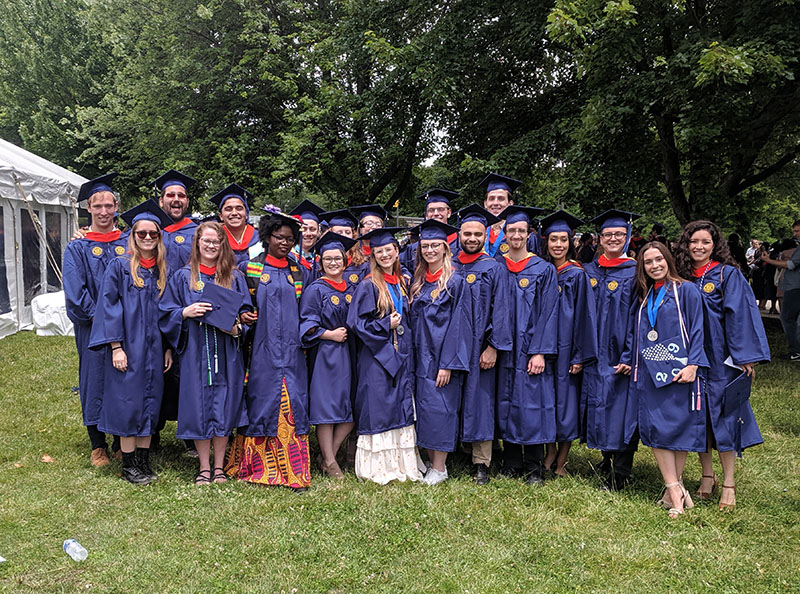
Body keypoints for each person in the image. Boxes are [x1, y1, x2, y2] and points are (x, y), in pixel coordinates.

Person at [676, 221, 772, 510]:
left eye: (705, 242)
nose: (699, 247)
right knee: (698, 416)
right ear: (686, 244)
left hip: (720, 358)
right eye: (694, 241)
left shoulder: (726, 274)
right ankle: (707, 476)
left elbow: (741, 314)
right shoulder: (680, 276)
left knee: (725, 416)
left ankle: (728, 482)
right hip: (690, 357)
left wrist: (744, 355)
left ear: (715, 245)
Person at [88, 200, 174, 485]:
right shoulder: (120, 267)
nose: (148, 238)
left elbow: (168, 312)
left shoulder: (163, 270)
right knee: (127, 404)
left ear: (160, 237)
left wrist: (168, 347)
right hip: (128, 347)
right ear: (133, 236)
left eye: (153, 234)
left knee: (150, 402)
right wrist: (116, 347)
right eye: (142, 234)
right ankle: (128, 466)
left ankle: (143, 462)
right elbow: (108, 307)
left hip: (154, 349)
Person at [225, 210, 311, 491]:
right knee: (261, 400)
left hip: (293, 350)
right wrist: (245, 316)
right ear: (267, 237)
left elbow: (306, 310)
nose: (285, 243)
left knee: (292, 400)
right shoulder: (249, 269)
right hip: (260, 349)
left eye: (290, 239)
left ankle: (291, 469)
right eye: (279, 237)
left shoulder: (299, 271)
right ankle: (256, 467)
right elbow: (241, 306)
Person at [159, 221, 250, 485]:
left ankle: (219, 466)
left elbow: (246, 315)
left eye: (216, 241)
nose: (211, 245)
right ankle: (203, 467)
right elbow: (165, 312)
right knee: (198, 406)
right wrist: (184, 313)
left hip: (226, 352)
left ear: (223, 245)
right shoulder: (182, 277)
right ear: (197, 243)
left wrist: (238, 329)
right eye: (206, 240)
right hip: (195, 351)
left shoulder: (234, 277)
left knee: (223, 404)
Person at [630, 242, 708, 518]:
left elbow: (698, 329)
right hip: (653, 372)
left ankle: (673, 490)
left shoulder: (686, 290)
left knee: (678, 429)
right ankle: (675, 488)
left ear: (668, 260)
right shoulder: (647, 294)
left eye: (658, 259)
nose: (654, 266)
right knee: (659, 429)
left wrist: (694, 364)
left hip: (680, 370)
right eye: (648, 262)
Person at [346, 227, 425, 484]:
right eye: (379, 251)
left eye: (388, 250)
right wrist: (384, 326)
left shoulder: (402, 283)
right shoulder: (369, 285)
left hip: (400, 352)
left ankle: (403, 465)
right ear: (373, 255)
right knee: (378, 406)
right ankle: (377, 468)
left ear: (396, 250)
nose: (384, 254)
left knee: (400, 405)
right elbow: (356, 323)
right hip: (376, 356)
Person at [63, 173, 128, 467]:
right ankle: (97, 444)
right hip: (92, 327)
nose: (103, 211)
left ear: (116, 207)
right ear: (88, 209)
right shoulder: (77, 247)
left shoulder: (130, 241)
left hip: (128, 326)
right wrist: (104, 320)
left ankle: (119, 440)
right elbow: (75, 294)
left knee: (124, 380)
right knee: (94, 379)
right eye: (97, 206)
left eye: (108, 205)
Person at [495, 205, 559, 485]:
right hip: (504, 348)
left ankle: (534, 466)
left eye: (521, 230)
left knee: (532, 405)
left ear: (529, 234)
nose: (516, 235)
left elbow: (548, 312)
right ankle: (510, 461)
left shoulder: (543, 269)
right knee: (506, 401)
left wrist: (540, 352)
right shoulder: (497, 266)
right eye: (512, 230)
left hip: (530, 349)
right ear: (504, 234)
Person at [452, 204, 512, 485]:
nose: (472, 238)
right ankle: (457, 451)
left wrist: (493, 347)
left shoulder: (494, 268)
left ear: (486, 235)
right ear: (459, 234)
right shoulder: (450, 266)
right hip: (452, 347)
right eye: (468, 233)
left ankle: (482, 462)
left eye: (478, 233)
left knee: (480, 401)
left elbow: (501, 312)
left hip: (479, 347)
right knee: (455, 397)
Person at [408, 219, 472, 485]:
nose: (430, 250)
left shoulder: (455, 282)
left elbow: (461, 325)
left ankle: (440, 467)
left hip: (441, 358)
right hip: (419, 357)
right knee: (423, 411)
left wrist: (448, 363)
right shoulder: (419, 280)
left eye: (436, 245)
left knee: (441, 411)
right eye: (426, 245)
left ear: (446, 249)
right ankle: (429, 462)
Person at [582, 209, 641, 490]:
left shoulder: (635, 272)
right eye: (608, 235)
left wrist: (631, 354)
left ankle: (622, 470)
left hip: (622, 352)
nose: (613, 239)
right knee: (600, 404)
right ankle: (607, 456)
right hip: (595, 351)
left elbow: (640, 317)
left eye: (619, 234)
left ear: (627, 237)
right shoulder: (590, 270)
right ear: (600, 239)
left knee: (622, 408)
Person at [539, 210, 598, 477]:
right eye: (553, 239)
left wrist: (578, 355)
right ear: (546, 241)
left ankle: (561, 459)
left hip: (566, 349)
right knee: (547, 401)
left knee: (565, 404)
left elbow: (585, 318)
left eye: (563, 239)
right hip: (543, 348)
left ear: (571, 242)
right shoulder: (541, 271)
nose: (558, 245)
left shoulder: (577, 274)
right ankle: (548, 451)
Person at [299, 232, 358, 478]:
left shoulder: (353, 287)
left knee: (352, 409)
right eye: (327, 259)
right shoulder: (316, 289)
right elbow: (305, 324)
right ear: (320, 262)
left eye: (337, 258)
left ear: (345, 260)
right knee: (327, 409)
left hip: (352, 353)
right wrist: (329, 334)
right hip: (327, 355)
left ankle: (328, 455)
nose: (333, 263)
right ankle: (331, 462)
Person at [149, 169, 200, 457]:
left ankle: (191, 435)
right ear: (161, 200)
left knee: (186, 374)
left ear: (187, 201)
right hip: (151, 312)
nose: (176, 200)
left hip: (187, 312)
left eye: (181, 195)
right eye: (171, 195)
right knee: (155, 371)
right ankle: (151, 431)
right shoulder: (148, 231)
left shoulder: (198, 232)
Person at [761, 220, 800, 361]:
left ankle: (795, 351)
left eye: (797, 231)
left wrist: (769, 260)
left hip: (795, 287)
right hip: (794, 286)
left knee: (787, 318)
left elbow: (790, 265)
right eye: (794, 231)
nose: (795, 234)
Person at [479, 173, 541, 257]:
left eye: (501, 199)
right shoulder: (478, 232)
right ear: (485, 204)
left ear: (510, 203)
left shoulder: (524, 235)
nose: (496, 203)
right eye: (491, 199)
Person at [400, 189, 460, 270]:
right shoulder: (415, 248)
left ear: (449, 213)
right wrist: (405, 274)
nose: (435, 213)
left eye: (441, 209)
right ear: (426, 215)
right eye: (431, 210)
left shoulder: (460, 244)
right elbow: (397, 263)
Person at [209, 183, 260, 266]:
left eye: (239, 208)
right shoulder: (215, 238)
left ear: (246, 214)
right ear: (221, 216)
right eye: (228, 209)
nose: (234, 213)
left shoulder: (260, 238)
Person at [349, 204, 388, 281]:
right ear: (360, 228)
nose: (374, 227)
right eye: (369, 223)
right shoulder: (350, 250)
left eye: (378, 224)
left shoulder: (387, 251)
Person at [289, 199, 325, 274]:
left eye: (312, 229)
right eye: (304, 229)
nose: (308, 233)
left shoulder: (323, 258)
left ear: (318, 232)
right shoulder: (289, 256)